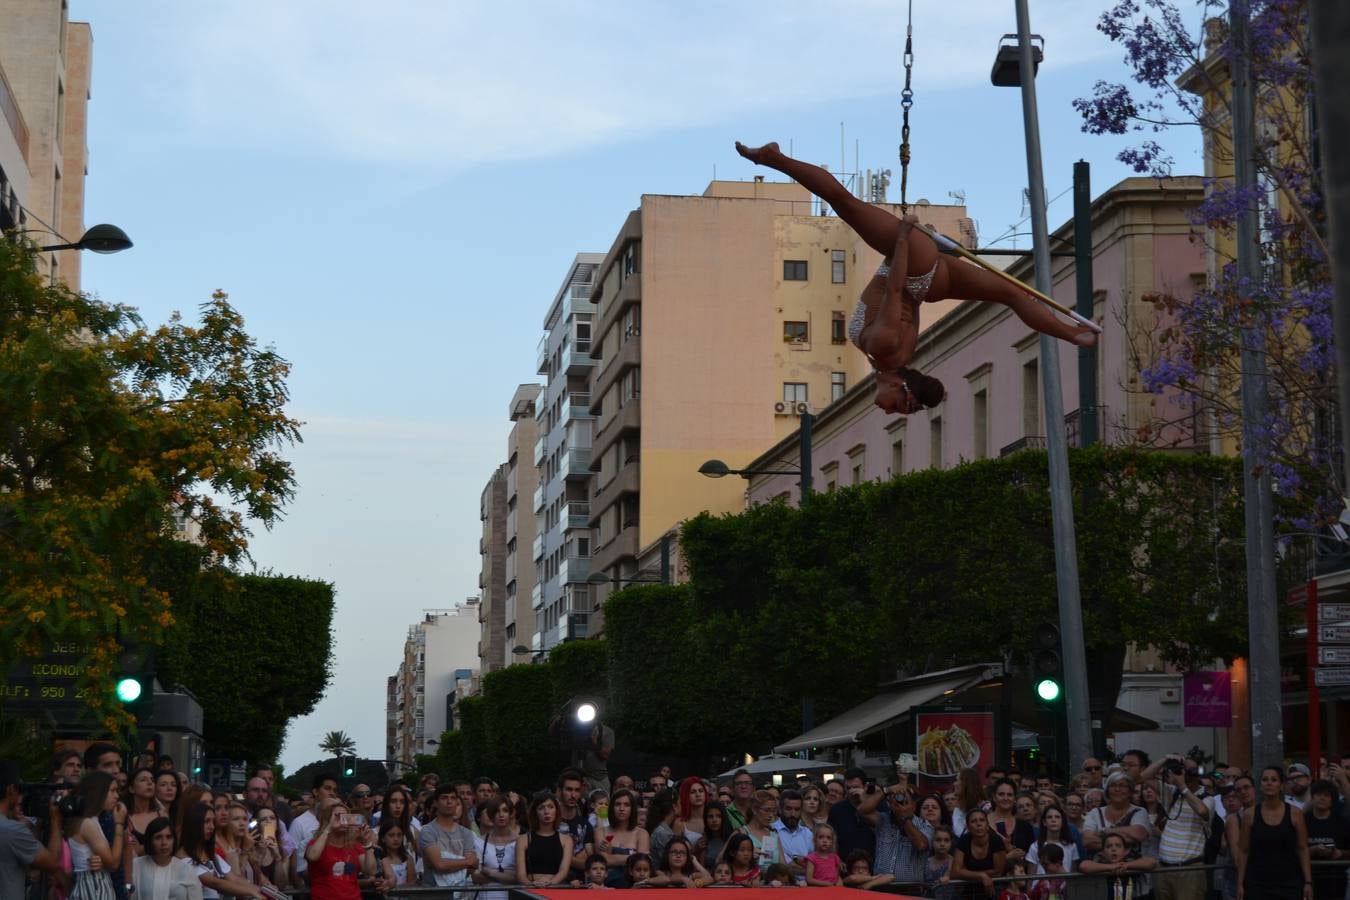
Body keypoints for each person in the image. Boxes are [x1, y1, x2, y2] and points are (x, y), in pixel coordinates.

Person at [734, 141, 1097, 417]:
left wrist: (930, 254)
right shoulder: (884, 348)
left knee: (1013, 295)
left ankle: (1073, 334)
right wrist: (907, 236)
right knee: (842, 201)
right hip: (912, 268)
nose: (889, 411)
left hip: (926, 280)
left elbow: (910, 304)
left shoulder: (894, 355)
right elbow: (894, 288)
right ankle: (774, 158)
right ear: (901, 386)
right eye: (900, 406)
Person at [1138, 755, 1214, 900]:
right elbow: (1144, 777)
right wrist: (1165, 759)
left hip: (1189, 869)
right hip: (1163, 868)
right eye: (1183, 769)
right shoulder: (1172, 793)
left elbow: (1202, 811)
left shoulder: (1207, 798)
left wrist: (1183, 787)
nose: (1185, 772)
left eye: (1190, 770)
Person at [1237, 766, 1312, 900]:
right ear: (1260, 785)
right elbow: (1243, 850)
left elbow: (1303, 849)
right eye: (1265, 780)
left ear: (1282, 785)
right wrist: (1240, 883)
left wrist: (1308, 882)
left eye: (1274, 779)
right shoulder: (1250, 814)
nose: (1269, 783)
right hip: (1257, 883)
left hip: (1289, 883)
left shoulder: (1295, 814)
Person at [0, 759, 68, 899]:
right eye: (20, 790)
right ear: (11, 789)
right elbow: (52, 862)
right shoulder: (12, 830)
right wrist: (55, 819)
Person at [177, 803, 261, 899]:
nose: (212, 827)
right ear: (193, 824)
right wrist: (252, 892)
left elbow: (233, 878)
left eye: (213, 822)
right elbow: (216, 883)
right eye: (206, 821)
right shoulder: (182, 858)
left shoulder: (212, 854)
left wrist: (263, 891)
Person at [304, 801, 376, 900]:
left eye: (346, 817)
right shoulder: (317, 843)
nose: (342, 820)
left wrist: (367, 844)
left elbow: (370, 871)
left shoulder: (355, 845)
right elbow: (312, 856)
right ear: (328, 819)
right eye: (338, 816)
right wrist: (329, 827)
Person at [421, 784, 479, 887]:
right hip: (433, 893)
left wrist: (448, 864)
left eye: (453, 798)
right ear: (435, 802)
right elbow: (439, 864)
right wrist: (466, 862)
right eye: (444, 798)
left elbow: (472, 866)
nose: (449, 802)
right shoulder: (427, 831)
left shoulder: (467, 833)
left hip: (461, 893)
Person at [132, 816, 202, 900]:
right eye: (158, 837)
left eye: (169, 837)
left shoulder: (187, 870)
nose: (164, 842)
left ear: (174, 840)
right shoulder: (136, 865)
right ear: (150, 841)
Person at [874, 783, 931, 886]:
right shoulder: (883, 820)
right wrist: (886, 790)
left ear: (913, 806)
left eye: (905, 801)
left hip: (910, 890)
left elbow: (921, 845)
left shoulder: (924, 825)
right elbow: (862, 811)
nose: (899, 802)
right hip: (881, 887)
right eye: (894, 799)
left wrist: (904, 817)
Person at [287, 773, 338, 885]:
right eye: (327, 788)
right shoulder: (299, 823)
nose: (332, 793)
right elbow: (293, 860)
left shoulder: (339, 822)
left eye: (334, 790)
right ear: (315, 792)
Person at [1303, 779, 1350, 900]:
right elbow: (1293, 850)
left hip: (1335, 880)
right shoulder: (1302, 821)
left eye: (1326, 795)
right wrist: (1312, 850)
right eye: (1318, 794)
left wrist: (1340, 853)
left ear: (1332, 800)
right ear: (1312, 797)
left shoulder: (1342, 822)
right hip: (1307, 879)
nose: (1322, 798)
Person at [516, 790, 573, 887]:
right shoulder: (523, 839)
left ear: (556, 810)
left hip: (555, 888)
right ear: (535, 812)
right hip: (531, 889)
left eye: (550, 807)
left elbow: (564, 871)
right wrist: (532, 885)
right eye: (541, 808)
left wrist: (550, 883)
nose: (546, 811)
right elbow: (520, 875)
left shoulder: (566, 840)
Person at [593, 787, 648, 887]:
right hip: (606, 889)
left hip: (634, 889)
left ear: (632, 808)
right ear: (611, 808)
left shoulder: (642, 834)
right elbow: (603, 861)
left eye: (626, 805)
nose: (621, 809)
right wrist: (633, 855)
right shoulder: (601, 832)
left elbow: (641, 863)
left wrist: (611, 855)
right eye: (618, 804)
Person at [827, 768, 884, 861]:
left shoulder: (879, 806)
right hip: (845, 863)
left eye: (855, 787)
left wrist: (865, 801)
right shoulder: (837, 809)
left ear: (865, 786)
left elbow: (885, 829)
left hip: (874, 862)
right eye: (848, 788)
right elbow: (831, 838)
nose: (851, 791)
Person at [1080, 832, 1156, 900]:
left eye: (1118, 846)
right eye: (1109, 846)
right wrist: (1112, 867)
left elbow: (1151, 862)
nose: (1114, 849)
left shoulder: (1131, 860)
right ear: (1103, 852)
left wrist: (1126, 865)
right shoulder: (1100, 861)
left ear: (1125, 851)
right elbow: (1084, 866)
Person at [473, 795, 519, 900]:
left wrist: (490, 872)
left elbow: (520, 877)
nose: (501, 815)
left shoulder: (520, 841)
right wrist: (507, 876)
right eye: (497, 811)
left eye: (505, 810)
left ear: (511, 814)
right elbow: (475, 876)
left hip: (513, 896)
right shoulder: (479, 841)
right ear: (491, 815)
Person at [953, 809, 1006, 898]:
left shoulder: (996, 840)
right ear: (968, 827)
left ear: (987, 825)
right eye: (973, 821)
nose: (978, 824)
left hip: (994, 890)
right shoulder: (964, 840)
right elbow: (955, 872)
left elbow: (998, 871)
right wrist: (981, 876)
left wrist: (967, 873)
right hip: (970, 892)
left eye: (982, 820)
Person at [555, 768, 593, 877]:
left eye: (577, 790)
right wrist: (576, 859)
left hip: (580, 884)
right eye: (569, 789)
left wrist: (562, 855)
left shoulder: (585, 824)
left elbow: (590, 863)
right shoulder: (549, 822)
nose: (573, 795)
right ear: (560, 791)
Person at [1026, 804, 1078, 875]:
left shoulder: (1071, 846)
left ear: (1062, 822)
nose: (1053, 820)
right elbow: (1031, 877)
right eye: (1049, 817)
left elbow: (1073, 874)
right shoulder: (1035, 846)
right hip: (1040, 886)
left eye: (1057, 817)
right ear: (1044, 822)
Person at [374, 820, 416, 889]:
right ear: (383, 838)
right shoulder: (378, 858)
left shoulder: (407, 858)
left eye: (399, 835)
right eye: (391, 835)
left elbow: (412, 883)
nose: (396, 839)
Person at [674, 776, 707, 847]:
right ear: (685, 796)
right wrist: (695, 849)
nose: (698, 795)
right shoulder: (679, 823)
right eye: (693, 792)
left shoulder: (714, 816)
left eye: (701, 791)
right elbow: (675, 850)